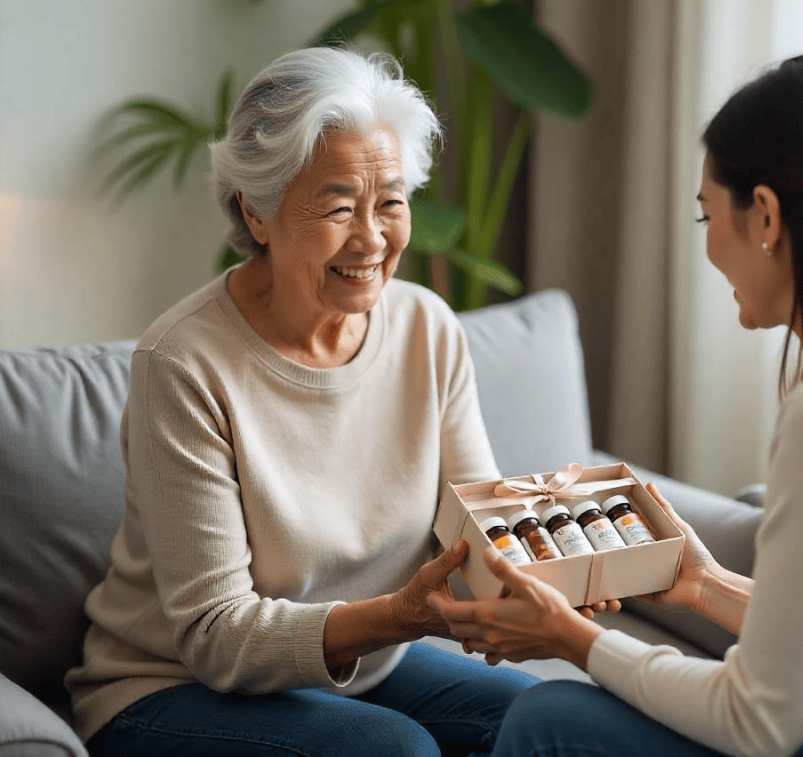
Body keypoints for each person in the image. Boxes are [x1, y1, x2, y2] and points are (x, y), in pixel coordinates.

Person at [429, 54, 803, 757]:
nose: (708, 242)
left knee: (549, 720)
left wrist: (572, 638)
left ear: (765, 214)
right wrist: (705, 585)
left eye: (707, 213)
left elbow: (757, 723)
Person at [65, 46, 543, 756]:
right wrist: (400, 616)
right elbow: (215, 637)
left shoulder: (426, 327)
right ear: (256, 214)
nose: (373, 238)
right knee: (394, 750)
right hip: (169, 688)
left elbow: (475, 523)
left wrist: (546, 573)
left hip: (362, 665)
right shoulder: (183, 362)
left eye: (390, 202)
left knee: (549, 716)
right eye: (340, 208)